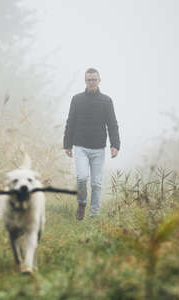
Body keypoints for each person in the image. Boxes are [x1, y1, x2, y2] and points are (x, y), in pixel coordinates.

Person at [63, 68, 120, 220]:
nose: (92, 82)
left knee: (96, 183)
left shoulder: (106, 101)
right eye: (89, 80)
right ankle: (81, 204)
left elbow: (112, 124)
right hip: (80, 146)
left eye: (94, 79)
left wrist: (115, 145)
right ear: (85, 81)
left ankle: (94, 215)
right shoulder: (77, 99)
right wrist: (67, 145)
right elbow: (70, 122)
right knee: (81, 178)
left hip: (98, 149)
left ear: (99, 81)